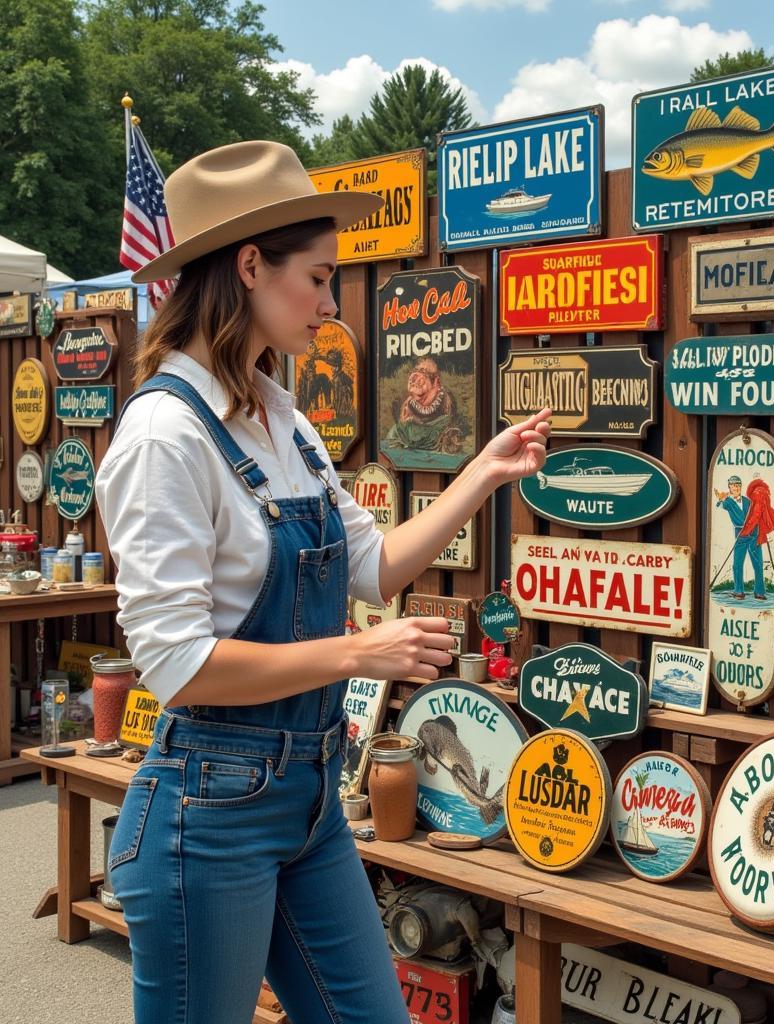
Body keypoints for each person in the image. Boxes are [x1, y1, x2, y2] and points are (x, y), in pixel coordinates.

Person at [95, 140, 551, 1024]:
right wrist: (358, 652)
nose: (333, 302)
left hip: (309, 802)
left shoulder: (282, 418)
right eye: (320, 276)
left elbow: (374, 567)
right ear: (250, 265)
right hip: (207, 814)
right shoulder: (164, 436)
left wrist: (482, 474)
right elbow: (175, 666)